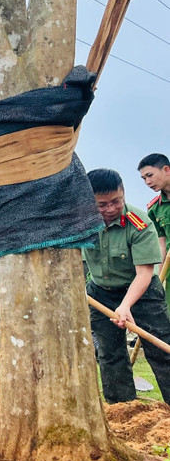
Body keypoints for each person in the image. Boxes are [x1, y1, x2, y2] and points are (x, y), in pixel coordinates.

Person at [85, 168, 170, 404]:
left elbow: (144, 273)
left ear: (123, 193)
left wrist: (125, 306)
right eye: (102, 205)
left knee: (162, 351)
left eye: (116, 201)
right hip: (100, 293)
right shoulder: (80, 224)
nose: (111, 209)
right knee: (110, 355)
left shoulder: (139, 223)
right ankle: (122, 409)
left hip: (143, 293)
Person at [140, 153, 170, 309]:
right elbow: (161, 245)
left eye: (150, 175)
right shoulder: (154, 209)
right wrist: (158, 278)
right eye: (144, 178)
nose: (147, 182)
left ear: (166, 170)